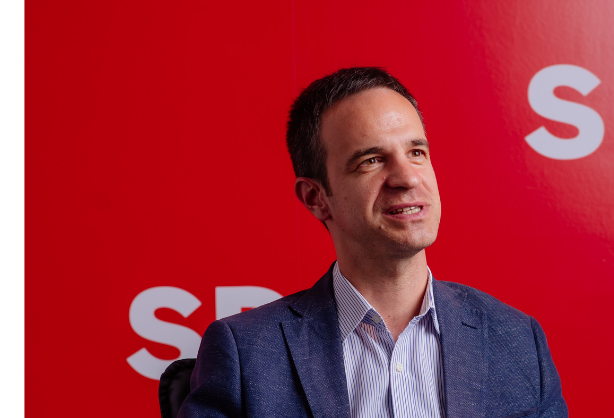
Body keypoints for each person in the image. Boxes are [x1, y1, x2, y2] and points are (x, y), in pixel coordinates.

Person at [178, 67, 568, 417]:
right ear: (316, 197)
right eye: (371, 161)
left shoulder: (518, 340)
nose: (407, 177)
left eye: (416, 152)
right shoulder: (246, 353)